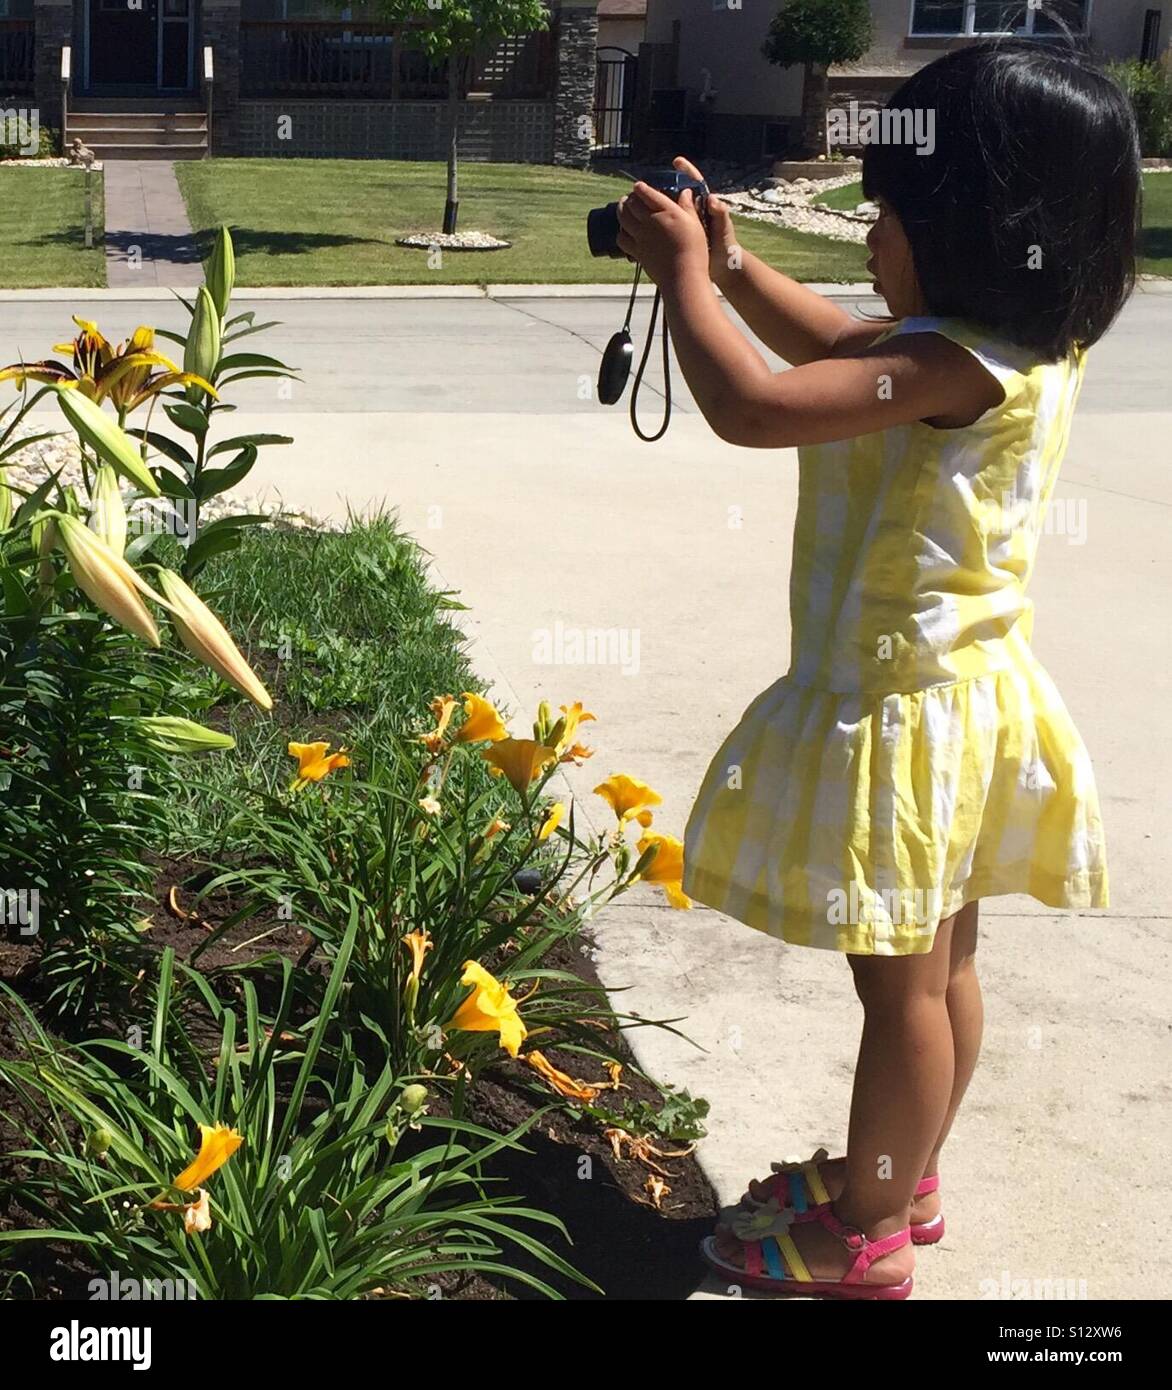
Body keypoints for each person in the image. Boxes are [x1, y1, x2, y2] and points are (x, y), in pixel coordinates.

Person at [615, 40, 1139, 1299]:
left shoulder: (951, 368)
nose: (867, 225)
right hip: (965, 702)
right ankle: (899, 1178)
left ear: (978, 229)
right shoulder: (1002, 343)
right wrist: (733, 263)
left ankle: (863, 1237)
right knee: (942, 967)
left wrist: (684, 279)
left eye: (890, 212)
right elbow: (843, 336)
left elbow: (752, 404)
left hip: (907, 713)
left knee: (897, 987)